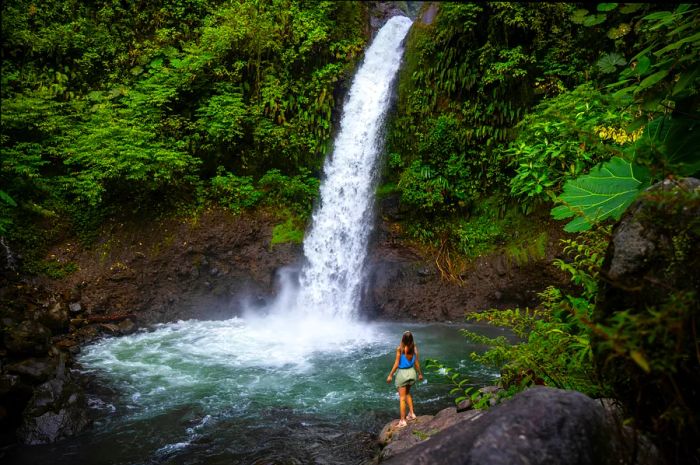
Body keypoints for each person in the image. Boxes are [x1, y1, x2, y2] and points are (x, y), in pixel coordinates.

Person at [386, 330, 424, 427]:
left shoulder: (400, 349)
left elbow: (396, 363)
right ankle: (412, 414)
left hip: (402, 374)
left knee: (402, 398)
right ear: (411, 339)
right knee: (407, 393)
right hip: (412, 373)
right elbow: (416, 363)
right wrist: (420, 374)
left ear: (403, 339)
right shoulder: (414, 348)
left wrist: (390, 375)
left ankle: (402, 421)